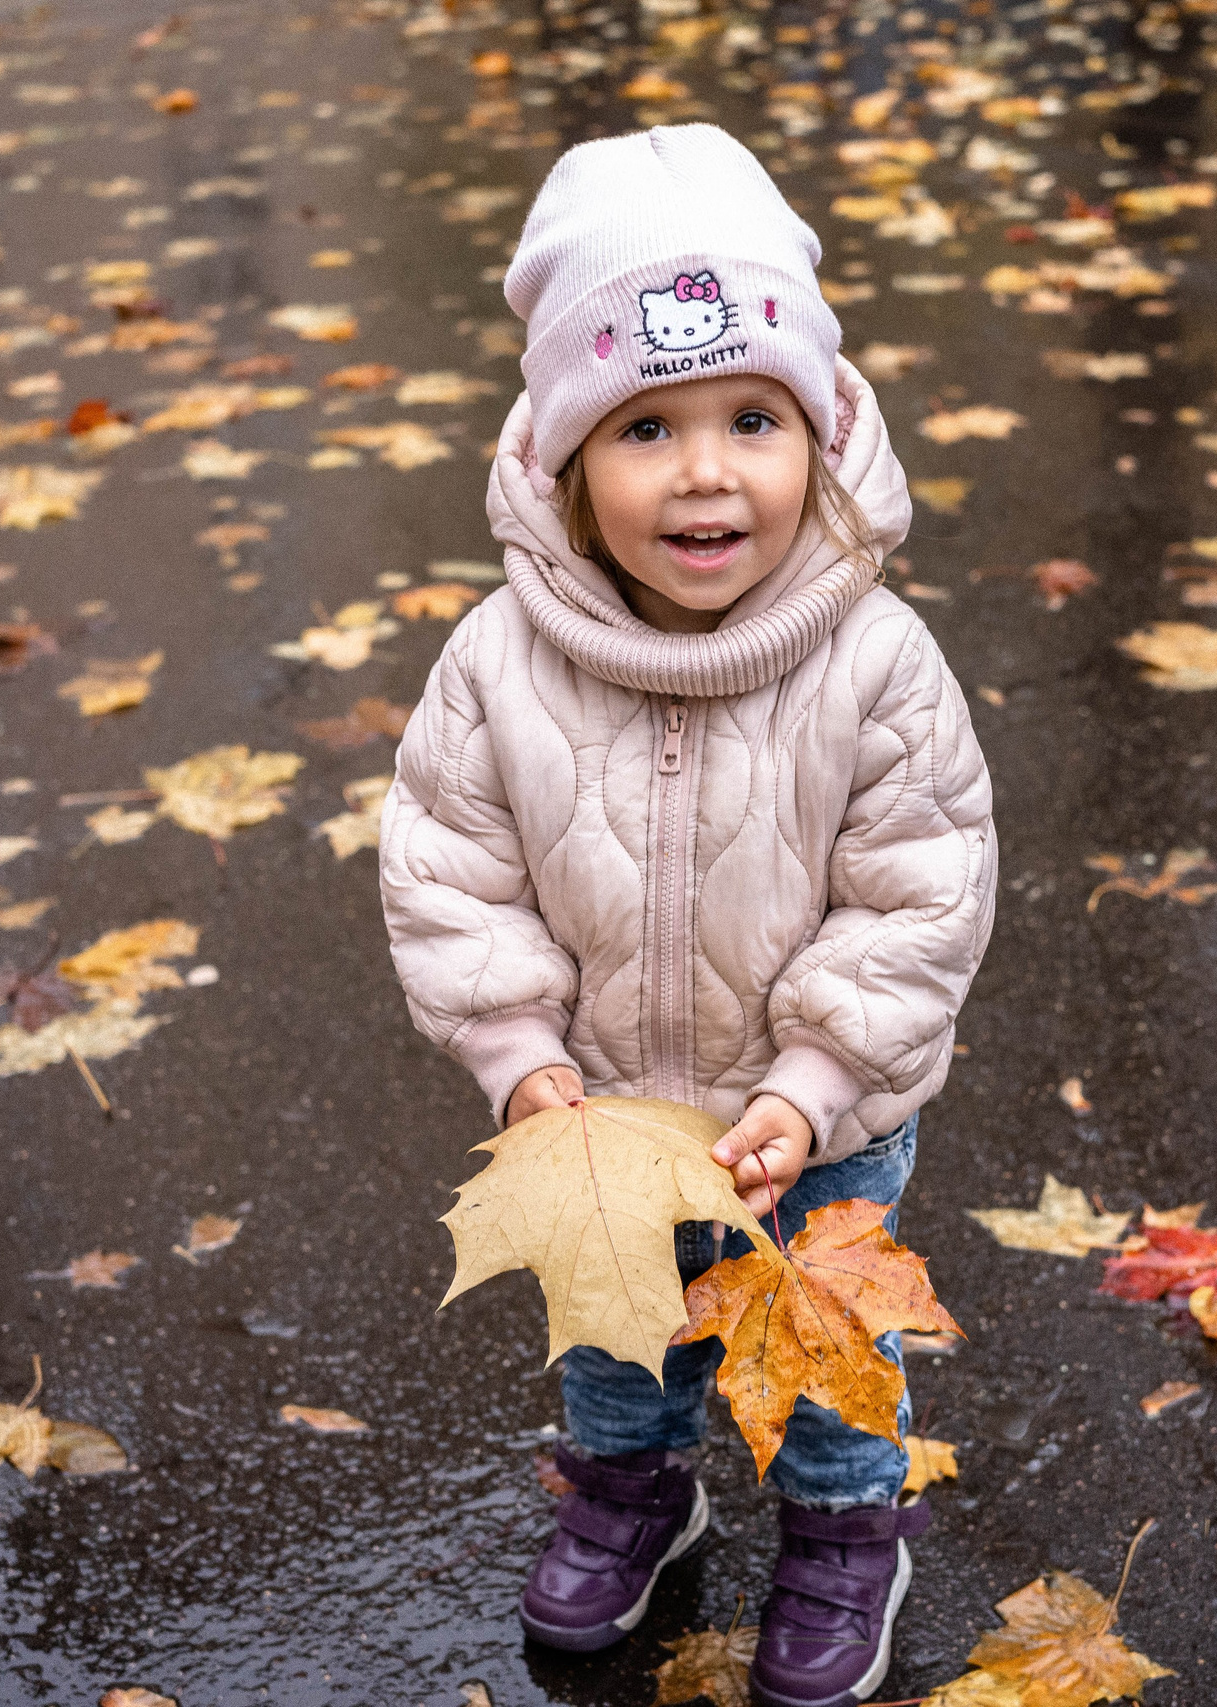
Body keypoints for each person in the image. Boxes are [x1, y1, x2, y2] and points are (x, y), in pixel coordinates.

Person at [377, 123, 998, 1707]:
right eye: (646, 425)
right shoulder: (500, 665)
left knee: (826, 1343)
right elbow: (451, 867)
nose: (707, 469)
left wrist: (812, 1085)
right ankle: (637, 1491)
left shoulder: (876, 664)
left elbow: (918, 896)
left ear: (822, 429)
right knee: (617, 1340)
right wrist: (520, 1056)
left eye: (751, 419)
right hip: (605, 1113)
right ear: (568, 462)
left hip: (825, 1115)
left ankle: (850, 1526)